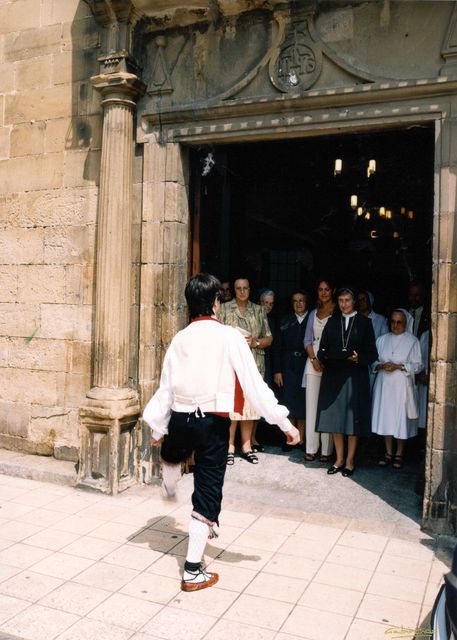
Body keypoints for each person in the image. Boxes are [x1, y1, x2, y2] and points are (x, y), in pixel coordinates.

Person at [143, 273, 299, 592]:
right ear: (216, 302)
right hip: (212, 422)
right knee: (207, 492)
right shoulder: (229, 337)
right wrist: (284, 423)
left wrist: (158, 426)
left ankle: (170, 477)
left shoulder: (180, 339)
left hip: (183, 418)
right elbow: (255, 387)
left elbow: (166, 389)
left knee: (176, 452)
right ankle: (191, 571)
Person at [316, 286, 378, 477]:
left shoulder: (365, 323)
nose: (344, 305)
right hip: (334, 376)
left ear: (354, 302)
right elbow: (321, 351)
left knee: (352, 422)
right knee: (336, 421)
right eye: (341, 301)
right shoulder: (332, 322)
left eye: (347, 301)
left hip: (355, 376)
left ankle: (350, 461)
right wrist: (326, 357)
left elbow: (373, 353)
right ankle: (339, 459)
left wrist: (359, 358)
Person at [218, 277, 273, 464]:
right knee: (232, 406)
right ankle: (229, 447)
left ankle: (247, 446)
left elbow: (269, 338)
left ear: (250, 290)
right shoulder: (224, 309)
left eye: (245, 288)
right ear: (234, 290)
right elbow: (216, 335)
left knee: (250, 405)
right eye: (238, 288)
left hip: (254, 363)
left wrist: (255, 342)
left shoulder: (258, 310)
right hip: (230, 364)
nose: (242, 291)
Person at [372, 309, 423, 469]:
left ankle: (399, 453)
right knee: (386, 417)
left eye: (399, 322)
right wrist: (381, 365)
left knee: (400, 419)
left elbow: (418, 365)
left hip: (402, 385)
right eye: (393, 321)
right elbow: (372, 361)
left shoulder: (412, 341)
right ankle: (388, 452)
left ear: (405, 323)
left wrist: (399, 366)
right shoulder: (381, 339)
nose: (395, 325)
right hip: (384, 384)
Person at [303, 279, 335, 463]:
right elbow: (307, 340)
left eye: (327, 289)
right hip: (313, 361)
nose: (323, 293)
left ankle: (327, 450)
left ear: (333, 291)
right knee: (312, 406)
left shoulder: (337, 312)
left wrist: (326, 361)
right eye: (320, 289)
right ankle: (311, 448)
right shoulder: (313, 314)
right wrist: (314, 359)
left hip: (330, 363)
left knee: (328, 406)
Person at [273, 290, 309, 447]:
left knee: (303, 402)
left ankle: (303, 439)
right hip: (288, 365)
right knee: (289, 402)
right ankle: (291, 438)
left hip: (305, 364)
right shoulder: (285, 320)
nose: (299, 303)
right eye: (295, 301)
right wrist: (277, 370)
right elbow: (277, 347)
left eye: (302, 300)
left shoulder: (312, 319)